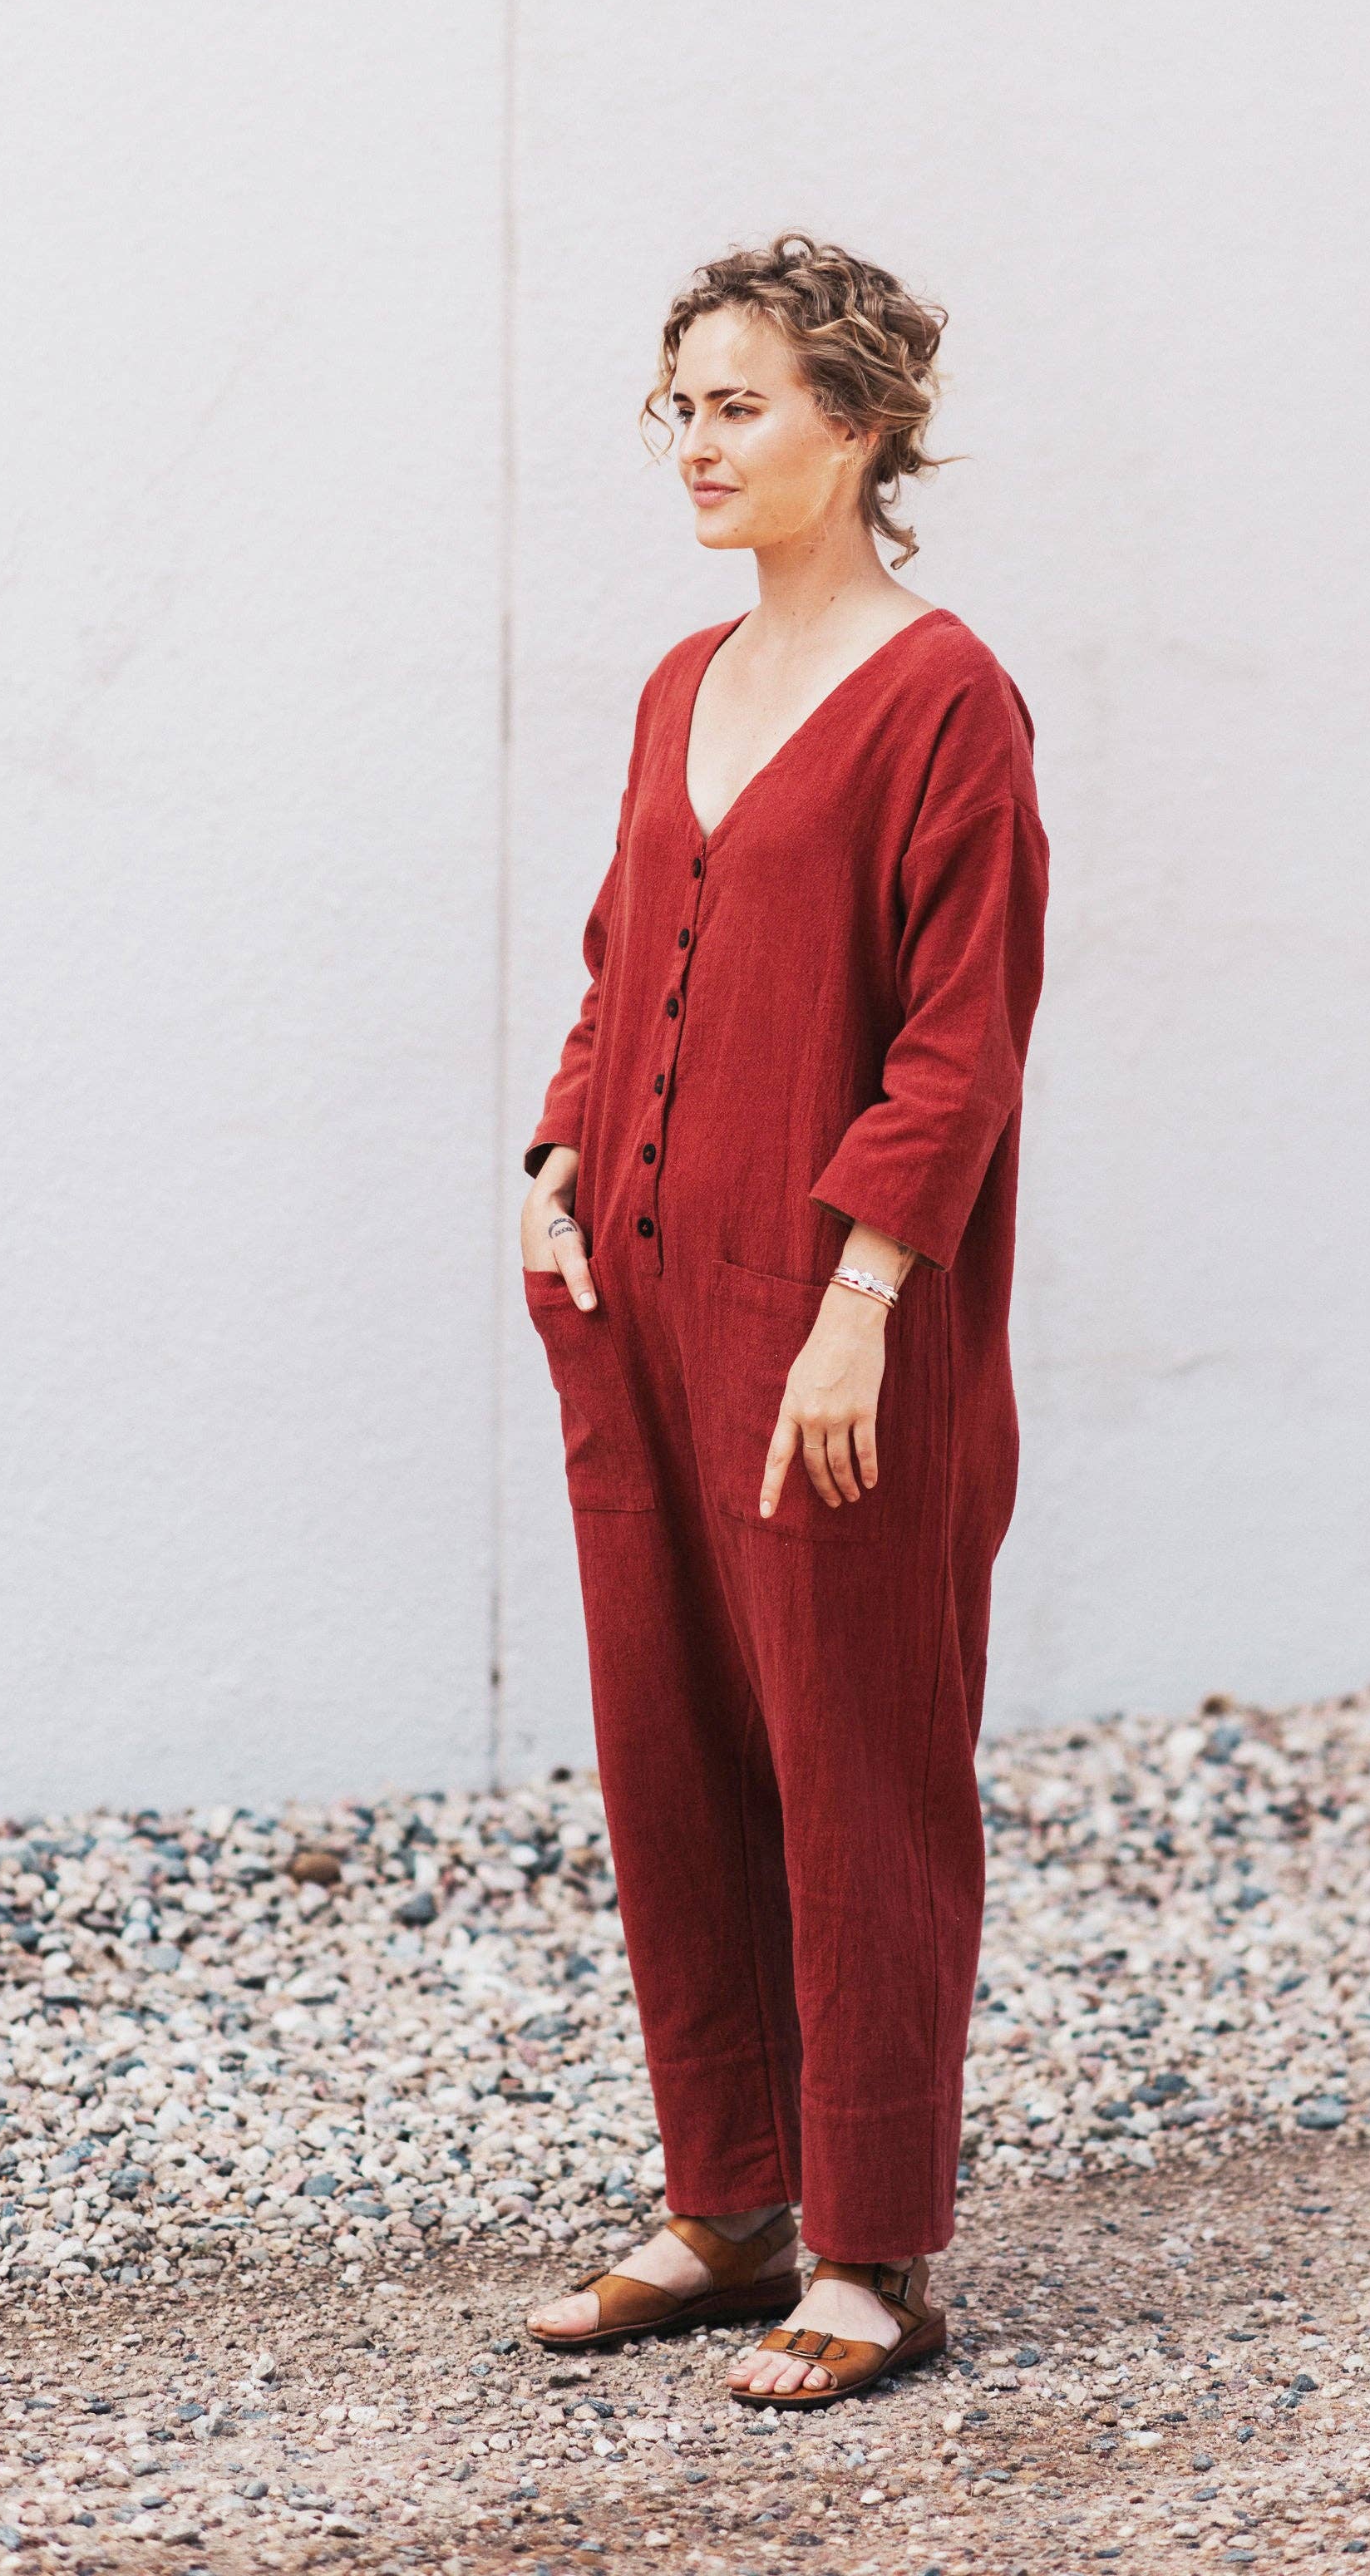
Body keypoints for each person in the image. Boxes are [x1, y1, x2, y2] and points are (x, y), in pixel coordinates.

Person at [517, 234, 1049, 2407]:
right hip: (638, 1298)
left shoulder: (945, 698)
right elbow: (617, 952)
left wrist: (863, 1298)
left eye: (738, 405)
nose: (697, 446)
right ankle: (730, 2203)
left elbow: (959, 1043)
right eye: (683, 407)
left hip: (835, 1319)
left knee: (857, 1766)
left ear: (860, 422)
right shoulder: (680, 681)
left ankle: (873, 2249)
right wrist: (554, 1156)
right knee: (672, 1752)